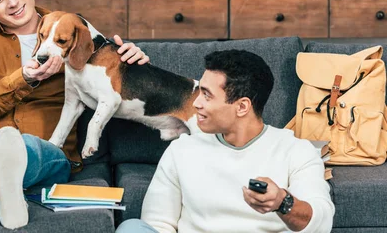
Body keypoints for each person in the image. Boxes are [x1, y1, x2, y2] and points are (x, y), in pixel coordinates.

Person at [0, 0, 150, 229]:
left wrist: (132, 61)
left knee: (24, 149)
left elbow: (112, 83)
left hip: (50, 153)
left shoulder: (73, 31)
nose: (13, 2)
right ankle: (1, 188)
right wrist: (23, 78)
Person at [116, 49, 335, 233]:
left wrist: (282, 202)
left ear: (242, 106)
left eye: (207, 95)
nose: (196, 103)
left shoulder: (296, 151)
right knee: (132, 228)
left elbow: (321, 221)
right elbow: (157, 224)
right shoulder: (182, 150)